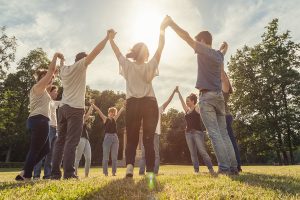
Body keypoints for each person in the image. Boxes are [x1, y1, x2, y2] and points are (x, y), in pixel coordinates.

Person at [166, 16, 238, 174]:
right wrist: (224, 45)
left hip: (207, 97)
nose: (196, 45)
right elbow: (223, 49)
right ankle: (233, 167)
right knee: (224, 134)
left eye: (198, 41)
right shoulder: (219, 55)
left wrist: (171, 23)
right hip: (219, 97)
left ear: (204, 41)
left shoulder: (204, 51)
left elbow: (185, 36)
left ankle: (225, 168)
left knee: (214, 134)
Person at [108, 17, 169, 178]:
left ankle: (129, 167)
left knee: (132, 138)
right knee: (148, 139)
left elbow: (117, 53)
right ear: (146, 53)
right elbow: (161, 47)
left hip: (133, 104)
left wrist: (110, 39)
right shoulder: (150, 65)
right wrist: (162, 28)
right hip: (149, 103)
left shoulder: (128, 65)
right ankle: (149, 172)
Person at [51, 31, 111, 179]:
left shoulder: (64, 70)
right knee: (72, 141)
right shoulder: (81, 66)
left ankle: (54, 174)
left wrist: (61, 59)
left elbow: (62, 65)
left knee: (60, 141)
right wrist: (107, 38)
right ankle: (69, 174)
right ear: (83, 60)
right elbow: (95, 52)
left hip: (63, 109)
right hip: (75, 109)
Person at [15, 52, 63, 181]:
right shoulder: (37, 87)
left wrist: (55, 73)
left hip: (41, 121)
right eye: (46, 77)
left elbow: (53, 73)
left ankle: (26, 170)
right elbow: (51, 71)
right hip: (39, 120)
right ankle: (27, 175)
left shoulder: (44, 92)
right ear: (41, 78)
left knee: (45, 149)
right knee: (35, 149)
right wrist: (55, 57)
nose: (50, 79)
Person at [176, 87, 216, 175]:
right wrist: (178, 93)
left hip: (197, 133)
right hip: (188, 134)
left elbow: (201, 101)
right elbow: (182, 102)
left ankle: (211, 169)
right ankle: (196, 171)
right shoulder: (187, 110)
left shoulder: (197, 108)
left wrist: (203, 91)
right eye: (186, 101)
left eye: (188, 101)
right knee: (193, 153)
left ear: (193, 101)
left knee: (202, 151)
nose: (186, 102)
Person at [139, 87, 177, 175]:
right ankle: (155, 172)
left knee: (144, 154)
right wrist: (173, 92)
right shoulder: (158, 109)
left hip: (147, 134)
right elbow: (168, 101)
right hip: (154, 134)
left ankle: (141, 172)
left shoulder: (145, 111)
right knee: (155, 154)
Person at [33, 85, 60, 179]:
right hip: (47, 128)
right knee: (42, 152)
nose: (57, 93)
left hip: (55, 129)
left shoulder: (53, 102)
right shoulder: (46, 100)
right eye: (55, 91)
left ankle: (47, 175)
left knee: (50, 154)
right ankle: (36, 175)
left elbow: (63, 102)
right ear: (50, 92)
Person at [92, 101, 125, 176]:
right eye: (111, 112)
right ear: (109, 112)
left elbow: (119, 112)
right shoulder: (105, 119)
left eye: (114, 112)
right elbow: (99, 111)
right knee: (106, 157)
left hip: (115, 138)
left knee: (114, 157)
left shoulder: (114, 119)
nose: (113, 113)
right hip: (107, 138)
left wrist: (123, 107)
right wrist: (93, 105)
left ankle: (114, 172)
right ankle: (105, 173)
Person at [221, 71, 242, 172]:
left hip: (225, 117)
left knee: (230, 142)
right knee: (228, 142)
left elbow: (223, 76)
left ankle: (236, 165)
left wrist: (219, 65)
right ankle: (233, 164)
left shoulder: (224, 87)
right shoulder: (220, 88)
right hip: (224, 117)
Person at [74, 105, 94, 178]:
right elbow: (87, 115)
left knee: (88, 158)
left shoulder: (83, 119)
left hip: (86, 139)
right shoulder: (78, 119)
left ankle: (86, 175)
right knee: (77, 158)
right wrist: (92, 106)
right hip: (80, 139)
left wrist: (90, 117)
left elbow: (87, 116)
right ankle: (74, 174)